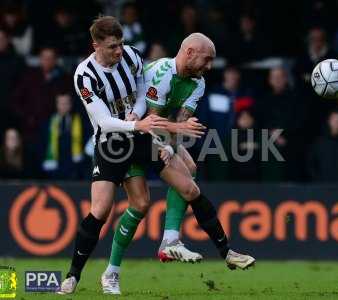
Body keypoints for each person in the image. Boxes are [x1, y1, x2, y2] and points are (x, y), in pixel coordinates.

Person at [58, 18, 254, 295]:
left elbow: (141, 98)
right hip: (112, 142)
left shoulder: (133, 57)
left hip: (142, 135)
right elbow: (103, 121)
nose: (119, 51)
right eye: (113, 46)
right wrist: (139, 124)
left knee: (189, 186)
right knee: (103, 209)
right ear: (97, 45)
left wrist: (139, 117)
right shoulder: (84, 75)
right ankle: (73, 276)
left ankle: (225, 251)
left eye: (121, 44)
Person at [41, 93, 88, 179]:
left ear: (70, 105)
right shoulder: (49, 122)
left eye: (66, 103)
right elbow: (43, 143)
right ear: (56, 105)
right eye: (61, 103)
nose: (63, 106)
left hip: (74, 166)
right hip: (54, 167)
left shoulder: (80, 121)